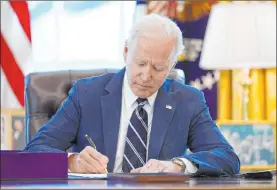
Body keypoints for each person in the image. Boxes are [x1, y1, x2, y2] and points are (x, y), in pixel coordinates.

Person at [24, 14, 240, 176]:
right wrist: (73, 161)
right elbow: (34, 152)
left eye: (158, 68)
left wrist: (176, 166)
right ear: (126, 52)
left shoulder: (188, 100)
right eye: (141, 63)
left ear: (172, 64)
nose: (146, 76)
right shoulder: (86, 94)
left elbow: (226, 157)